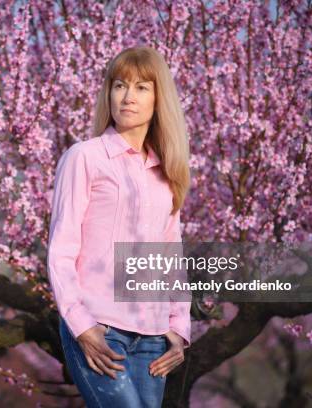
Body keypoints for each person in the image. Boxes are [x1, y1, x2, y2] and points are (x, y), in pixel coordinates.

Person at [47, 46, 192, 407]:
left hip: (154, 339)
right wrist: (81, 325)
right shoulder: (84, 157)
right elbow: (61, 249)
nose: (128, 97)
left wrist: (179, 328)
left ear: (159, 98)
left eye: (142, 87)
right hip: (100, 329)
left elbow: (170, 258)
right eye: (120, 85)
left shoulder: (166, 175)